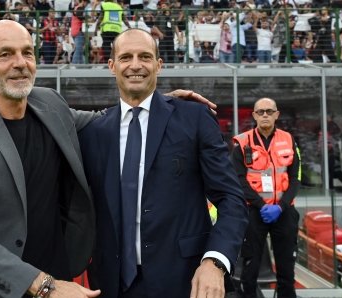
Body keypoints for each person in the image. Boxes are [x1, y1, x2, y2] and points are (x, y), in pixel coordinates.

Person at [0, 20, 215, 298]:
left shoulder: (49, 104)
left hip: (54, 277)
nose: (20, 62)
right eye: (5, 54)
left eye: (27, 52)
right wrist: (43, 285)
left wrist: (159, 103)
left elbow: (108, 121)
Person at [78, 28, 248, 298]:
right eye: (126, 57)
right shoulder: (92, 132)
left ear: (158, 65)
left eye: (145, 57)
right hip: (112, 284)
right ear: (111, 66)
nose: (135, 65)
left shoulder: (194, 117)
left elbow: (231, 198)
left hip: (185, 281)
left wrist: (215, 262)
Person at [232, 98, 301, 298]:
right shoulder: (242, 142)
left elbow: (296, 177)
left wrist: (281, 206)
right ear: (253, 115)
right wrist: (262, 205)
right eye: (260, 112)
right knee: (250, 266)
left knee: (286, 266)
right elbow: (237, 179)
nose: (264, 115)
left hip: (284, 211)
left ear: (277, 115)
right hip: (254, 211)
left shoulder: (289, 139)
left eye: (269, 111)